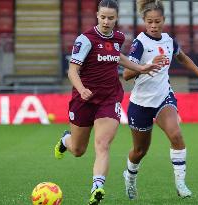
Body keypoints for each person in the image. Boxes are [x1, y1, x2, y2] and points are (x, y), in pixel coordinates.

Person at [54, 1, 160, 205]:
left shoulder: (119, 37)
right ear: (97, 15)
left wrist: (140, 68)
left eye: (110, 18)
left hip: (110, 99)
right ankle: (65, 140)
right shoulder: (85, 39)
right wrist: (82, 89)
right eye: (103, 17)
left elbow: (116, 56)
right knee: (78, 150)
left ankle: (97, 187)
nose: (106, 21)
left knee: (102, 144)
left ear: (116, 18)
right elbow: (72, 70)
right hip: (83, 99)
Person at [122, 0, 198, 200]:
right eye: (150, 22)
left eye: (157, 21)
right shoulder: (140, 43)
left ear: (164, 20)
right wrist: (147, 65)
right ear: (144, 21)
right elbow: (127, 75)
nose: (154, 26)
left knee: (176, 135)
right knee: (140, 151)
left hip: (163, 98)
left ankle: (181, 183)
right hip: (140, 104)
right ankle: (130, 177)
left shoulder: (168, 41)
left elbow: (182, 57)